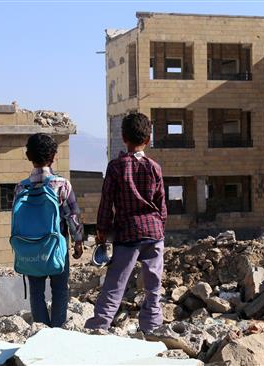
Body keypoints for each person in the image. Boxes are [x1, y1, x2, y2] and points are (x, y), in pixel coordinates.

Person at [85, 113, 167, 333]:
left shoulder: (116, 167)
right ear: (148, 140)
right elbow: (161, 204)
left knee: (115, 284)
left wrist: (102, 231)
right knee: (153, 284)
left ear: (123, 137)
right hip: (154, 232)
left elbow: (106, 204)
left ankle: (99, 326)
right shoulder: (154, 167)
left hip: (128, 234)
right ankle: (152, 326)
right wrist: (160, 226)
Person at [15, 133, 84, 327]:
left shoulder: (20, 187)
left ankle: (41, 330)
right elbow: (73, 215)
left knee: (36, 291)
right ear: (53, 156)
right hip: (56, 247)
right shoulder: (61, 184)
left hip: (30, 248)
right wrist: (78, 241)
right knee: (60, 290)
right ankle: (57, 330)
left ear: (28, 156)